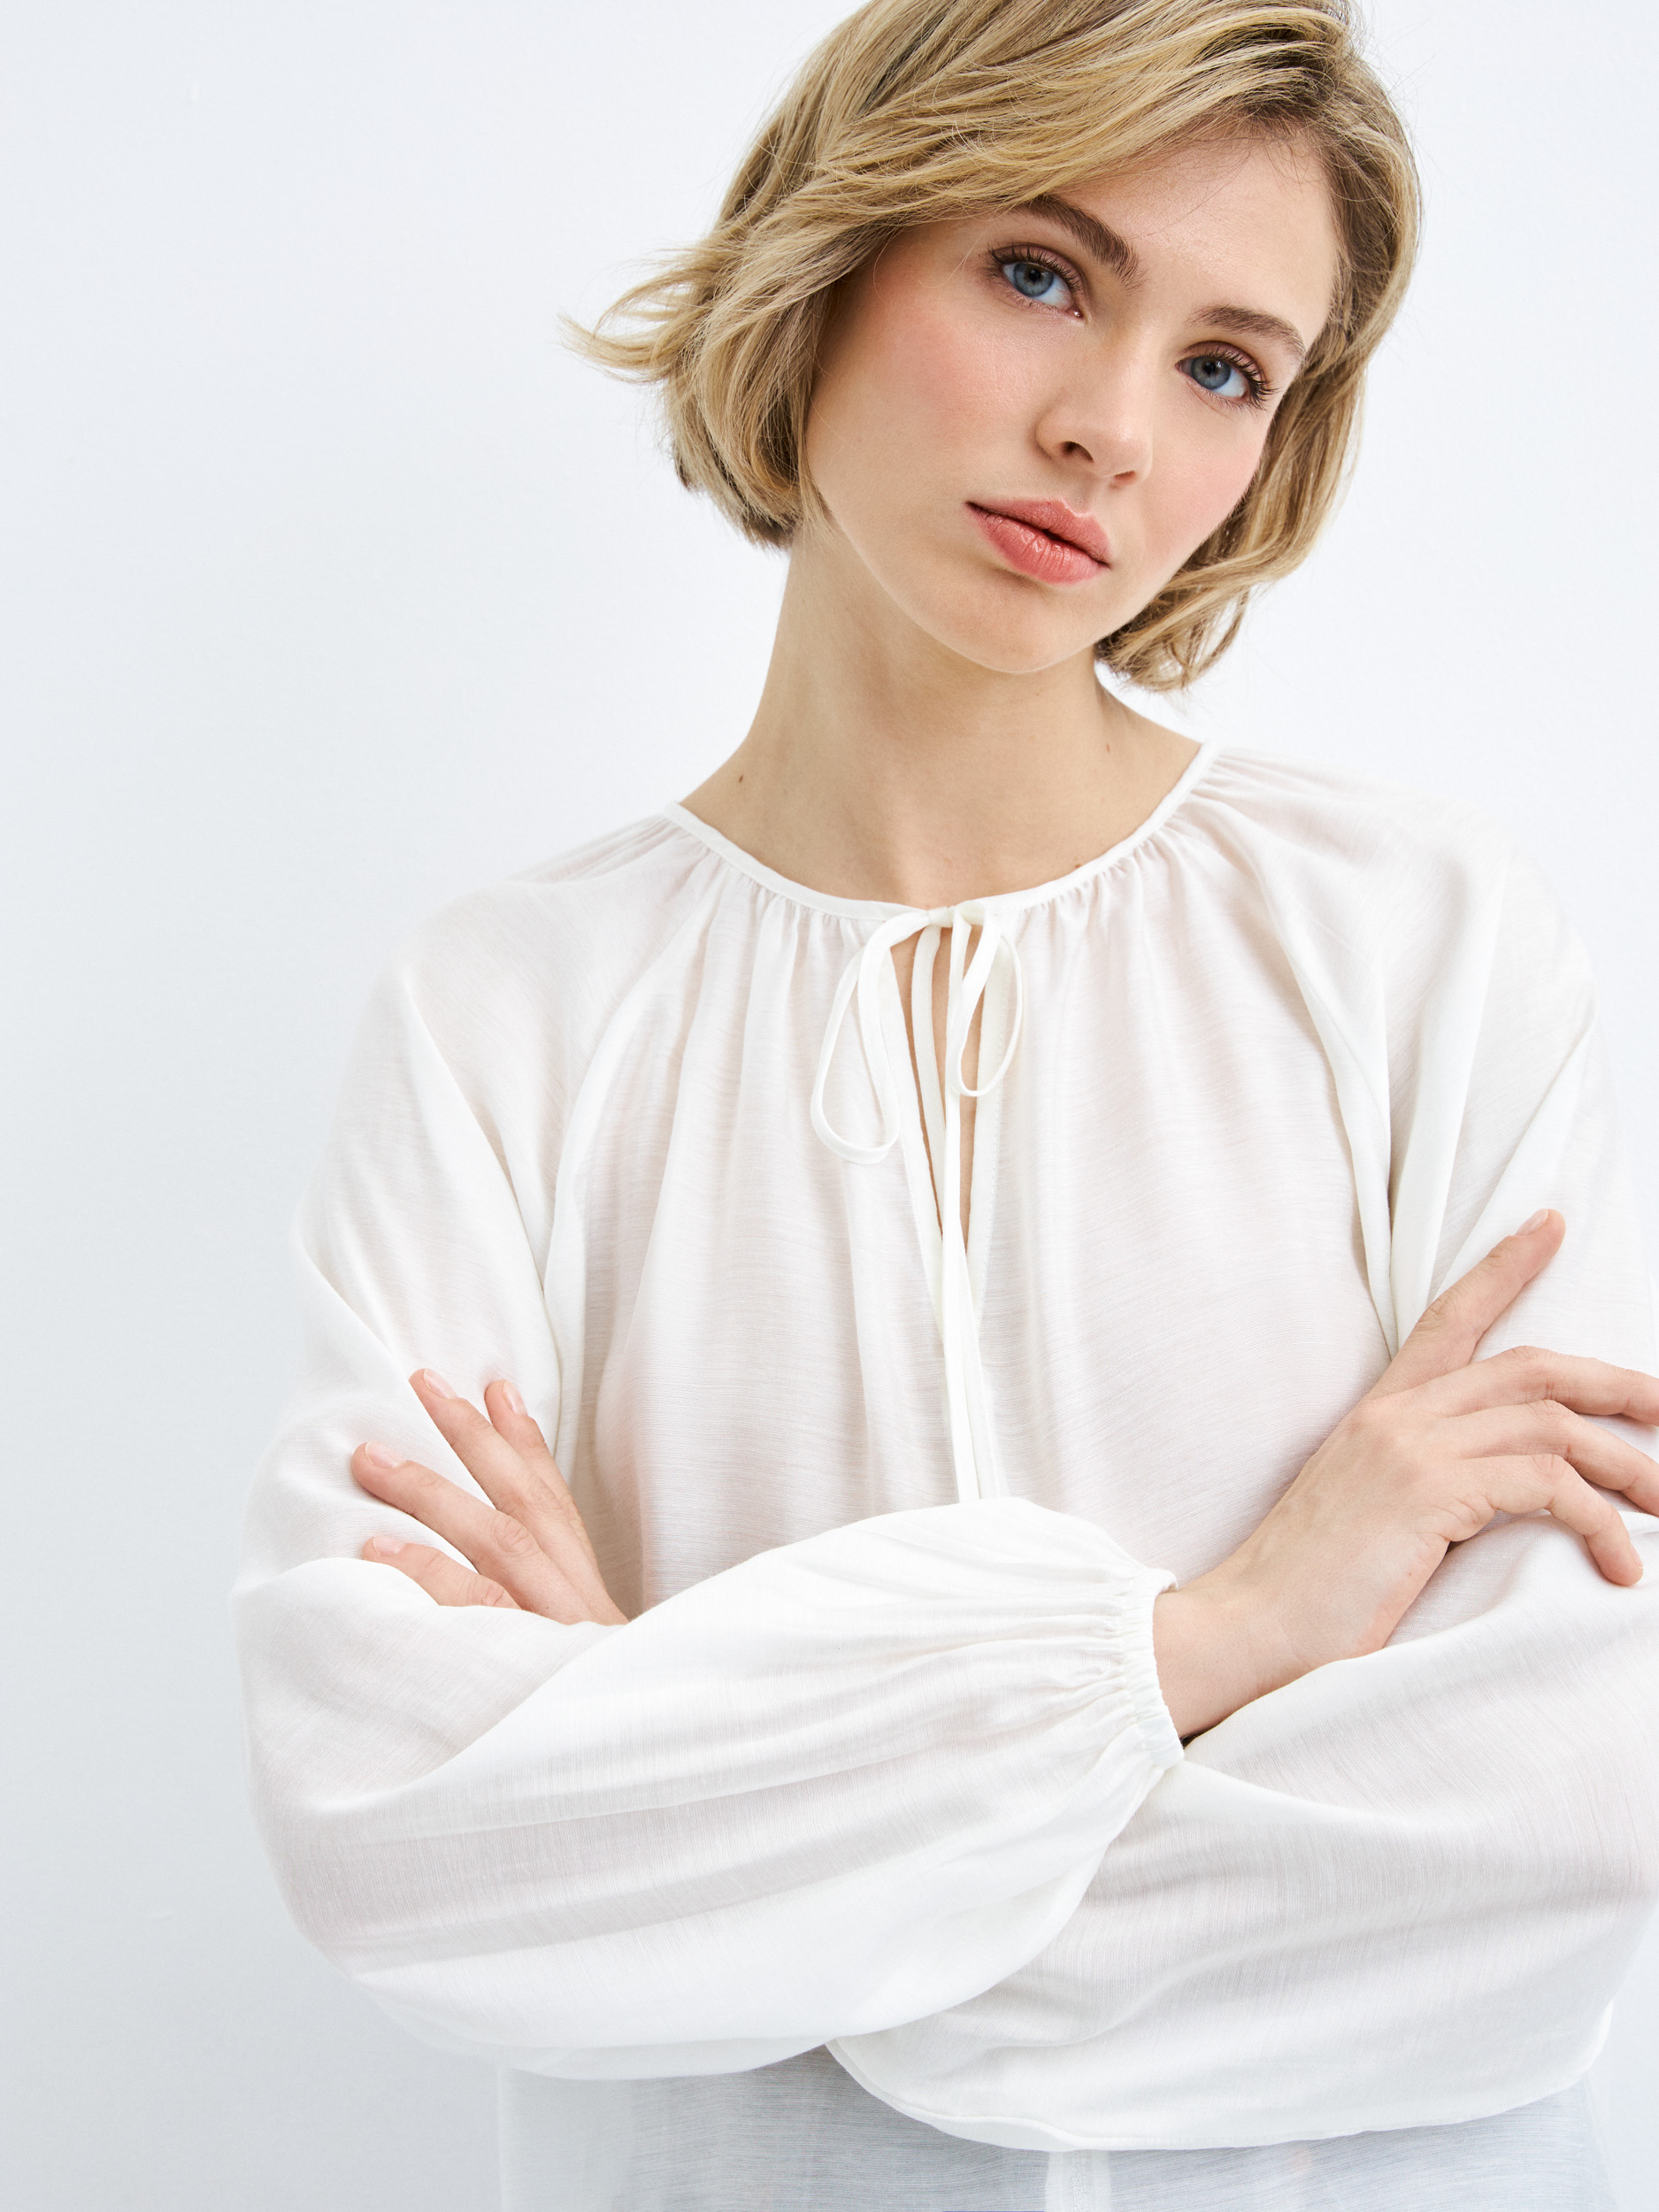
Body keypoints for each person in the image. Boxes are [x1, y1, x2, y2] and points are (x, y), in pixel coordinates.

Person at [233, 2, 1659, 2206]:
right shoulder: (502, 1016)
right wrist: (1207, 1637)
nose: (1108, 429)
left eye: (1224, 367)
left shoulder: (1414, 940)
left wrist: (705, 1811)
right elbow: (401, 1836)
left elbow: (1556, 1811)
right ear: (831, 255)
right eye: (1036, 271)